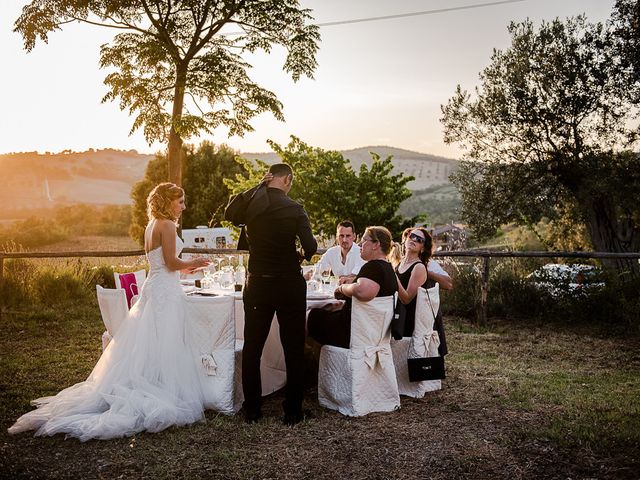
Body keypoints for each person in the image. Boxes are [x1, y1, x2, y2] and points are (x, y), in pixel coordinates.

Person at [8, 183, 210, 441]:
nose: (183, 206)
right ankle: (162, 390)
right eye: (180, 202)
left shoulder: (151, 226)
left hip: (155, 285)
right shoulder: (167, 225)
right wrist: (194, 262)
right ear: (168, 202)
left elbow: (162, 265)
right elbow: (170, 262)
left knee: (151, 340)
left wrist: (188, 268)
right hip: (164, 292)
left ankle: (151, 383)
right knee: (166, 340)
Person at [236, 163, 317, 425]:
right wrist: (299, 254)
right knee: (293, 348)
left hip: (258, 284)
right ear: (288, 180)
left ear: (269, 179)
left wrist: (257, 186)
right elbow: (311, 247)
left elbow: (230, 211)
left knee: (252, 348)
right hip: (289, 286)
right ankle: (293, 411)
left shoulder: (251, 207)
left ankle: (252, 410)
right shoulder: (295, 209)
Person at [307, 226, 397, 348]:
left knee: (307, 316)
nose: (360, 244)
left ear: (376, 245)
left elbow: (363, 291)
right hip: (370, 332)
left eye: (364, 240)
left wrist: (342, 289)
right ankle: (321, 361)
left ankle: (301, 363)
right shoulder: (387, 268)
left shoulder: (374, 267)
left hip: (351, 332)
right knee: (321, 315)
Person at [393, 227, 453, 355]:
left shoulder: (421, 266)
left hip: (412, 317)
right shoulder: (399, 264)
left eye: (419, 239)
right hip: (398, 315)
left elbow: (407, 298)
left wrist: (393, 277)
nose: (414, 239)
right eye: (412, 236)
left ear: (423, 247)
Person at [307, 220, 366, 285]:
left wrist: (335, 279)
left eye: (348, 236)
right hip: (335, 291)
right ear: (337, 237)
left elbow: (355, 277)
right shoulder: (331, 252)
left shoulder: (361, 253)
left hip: (355, 292)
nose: (344, 240)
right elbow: (316, 270)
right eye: (341, 236)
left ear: (354, 236)